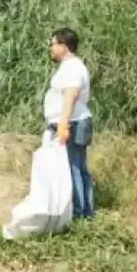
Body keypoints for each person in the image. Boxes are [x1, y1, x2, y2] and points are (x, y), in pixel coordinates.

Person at [46, 28, 94, 220]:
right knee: (78, 167)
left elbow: (71, 94)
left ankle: (80, 212)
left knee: (73, 168)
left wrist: (63, 124)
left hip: (72, 122)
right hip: (74, 121)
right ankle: (85, 211)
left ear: (63, 46)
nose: (50, 48)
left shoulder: (72, 68)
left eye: (53, 44)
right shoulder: (71, 66)